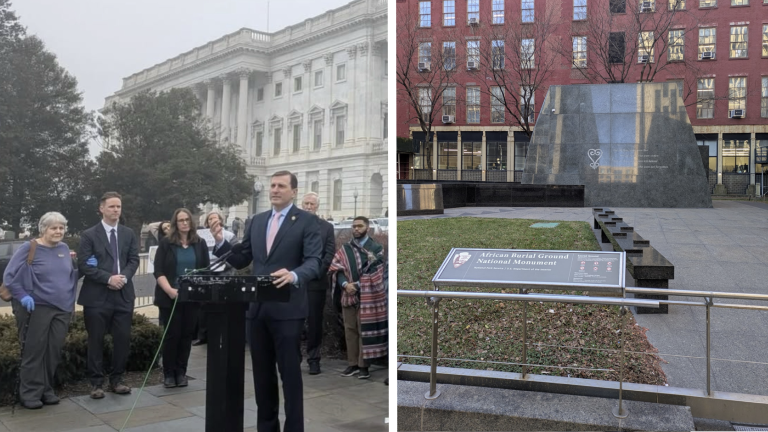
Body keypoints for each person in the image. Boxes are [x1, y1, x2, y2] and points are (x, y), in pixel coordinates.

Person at [211, 170, 321, 432]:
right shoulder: (257, 221)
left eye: (281, 186)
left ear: (293, 191)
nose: (274, 190)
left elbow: (315, 261)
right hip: (257, 311)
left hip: (288, 310)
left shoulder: (306, 221)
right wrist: (220, 243)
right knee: (262, 377)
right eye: (272, 185)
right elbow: (242, 259)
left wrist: (294, 275)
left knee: (290, 376)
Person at [3, 212, 79, 409]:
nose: (58, 231)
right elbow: (10, 276)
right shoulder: (30, 247)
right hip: (37, 307)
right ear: (43, 229)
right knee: (34, 351)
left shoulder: (63, 248)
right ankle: (29, 393)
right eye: (53, 228)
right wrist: (22, 296)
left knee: (52, 351)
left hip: (62, 309)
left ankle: (46, 390)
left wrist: (83, 270)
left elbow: (66, 276)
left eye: (61, 228)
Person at [77, 192, 140, 399]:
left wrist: (124, 277)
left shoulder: (128, 233)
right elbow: (84, 264)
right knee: (96, 340)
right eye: (112, 206)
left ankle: (117, 380)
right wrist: (108, 278)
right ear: (101, 209)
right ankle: (96, 383)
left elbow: (133, 259)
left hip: (123, 295)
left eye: (119, 207)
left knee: (122, 340)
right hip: (97, 296)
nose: (116, 210)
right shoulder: (89, 235)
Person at [153, 208, 210, 388]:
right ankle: (169, 373)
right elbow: (158, 270)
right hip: (170, 296)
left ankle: (181, 372)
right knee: (172, 335)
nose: (184, 223)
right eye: (180, 220)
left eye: (187, 220)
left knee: (186, 336)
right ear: (175, 224)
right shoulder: (166, 243)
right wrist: (170, 290)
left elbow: (205, 270)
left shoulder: (199, 243)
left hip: (191, 298)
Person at [328, 216, 388, 380]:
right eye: (354, 226)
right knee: (350, 330)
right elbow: (336, 269)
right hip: (347, 295)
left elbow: (377, 273)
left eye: (359, 226)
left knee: (364, 331)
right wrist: (345, 284)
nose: (356, 229)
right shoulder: (345, 248)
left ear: (367, 228)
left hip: (368, 297)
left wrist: (358, 286)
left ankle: (363, 366)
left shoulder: (376, 248)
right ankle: (352, 364)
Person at [300, 192, 336, 375]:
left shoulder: (326, 227)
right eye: (305, 203)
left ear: (316, 207)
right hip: (295, 283)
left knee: (314, 323)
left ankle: (314, 359)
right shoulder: (292, 225)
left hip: (316, 283)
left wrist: (315, 272)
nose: (308, 206)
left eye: (311, 204)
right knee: (294, 322)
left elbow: (329, 253)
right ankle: (294, 357)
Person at [193, 209, 235, 346]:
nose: (212, 221)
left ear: (221, 221)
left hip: (224, 274)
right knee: (204, 306)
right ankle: (203, 335)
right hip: (207, 273)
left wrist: (223, 266)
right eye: (210, 219)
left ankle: (223, 335)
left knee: (222, 305)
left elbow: (234, 256)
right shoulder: (201, 236)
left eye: (215, 219)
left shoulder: (230, 235)